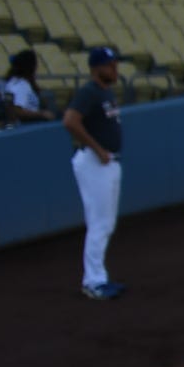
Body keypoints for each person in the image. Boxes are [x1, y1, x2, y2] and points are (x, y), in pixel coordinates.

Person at [63, 47, 128, 299]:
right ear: (96, 68)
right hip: (94, 161)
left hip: (108, 161)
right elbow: (69, 121)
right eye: (110, 65)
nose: (114, 69)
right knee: (99, 223)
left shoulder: (105, 92)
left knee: (105, 222)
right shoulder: (88, 92)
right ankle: (93, 281)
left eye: (115, 64)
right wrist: (98, 149)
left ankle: (98, 278)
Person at [0, 50, 52, 123]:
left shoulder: (13, 81)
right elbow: (17, 111)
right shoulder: (21, 85)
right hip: (25, 126)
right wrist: (42, 114)